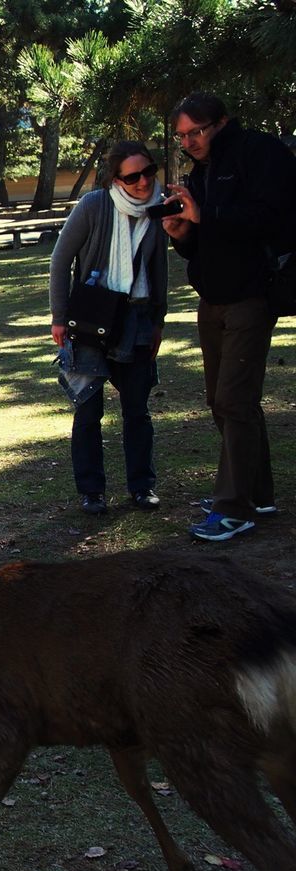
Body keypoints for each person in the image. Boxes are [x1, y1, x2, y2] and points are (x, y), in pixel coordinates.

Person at [162, 92, 296, 541]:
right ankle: (258, 493)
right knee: (222, 402)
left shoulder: (260, 153)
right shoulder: (201, 171)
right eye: (182, 136)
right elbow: (204, 237)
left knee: (235, 401)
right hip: (212, 297)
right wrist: (183, 233)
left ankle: (233, 508)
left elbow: (271, 218)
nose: (190, 142)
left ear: (221, 122)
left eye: (195, 132)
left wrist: (208, 214)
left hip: (251, 295)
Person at [50, 141, 169, 515]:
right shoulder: (94, 205)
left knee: (137, 409)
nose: (142, 182)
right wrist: (58, 316)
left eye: (147, 172)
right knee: (88, 410)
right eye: (131, 176)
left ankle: (142, 486)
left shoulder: (158, 209)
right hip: (91, 317)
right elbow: (61, 258)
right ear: (115, 179)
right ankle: (92, 492)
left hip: (136, 318)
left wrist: (158, 321)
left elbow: (159, 269)